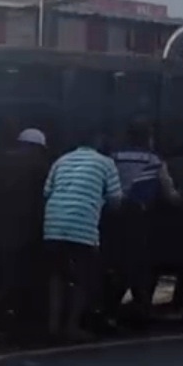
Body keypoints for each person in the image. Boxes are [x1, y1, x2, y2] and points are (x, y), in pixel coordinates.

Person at [43, 130, 123, 341]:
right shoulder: (106, 163)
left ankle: (52, 325)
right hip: (83, 225)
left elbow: (47, 192)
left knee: (57, 276)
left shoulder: (61, 160)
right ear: (99, 142)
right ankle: (71, 326)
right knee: (83, 278)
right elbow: (116, 199)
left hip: (53, 223)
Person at [108, 120, 183, 321]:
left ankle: (109, 307)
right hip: (139, 215)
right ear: (146, 138)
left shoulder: (115, 156)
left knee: (116, 260)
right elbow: (168, 191)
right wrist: (181, 199)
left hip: (114, 214)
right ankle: (141, 308)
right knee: (139, 263)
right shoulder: (153, 159)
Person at [0, 127, 52, 334]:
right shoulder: (39, 165)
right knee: (16, 277)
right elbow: (42, 198)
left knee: (1, 276)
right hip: (23, 230)